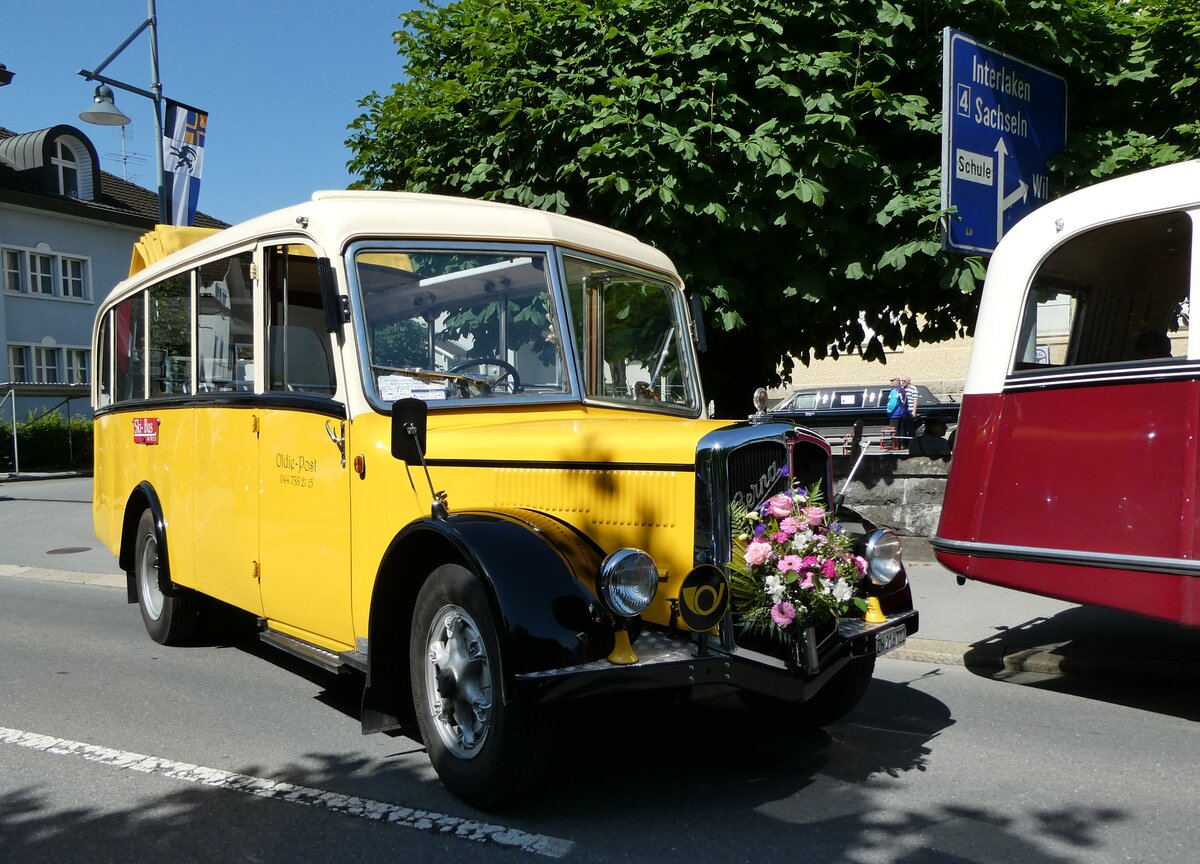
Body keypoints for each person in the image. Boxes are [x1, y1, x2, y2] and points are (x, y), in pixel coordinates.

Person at [885, 377, 908, 444]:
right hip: (902, 413)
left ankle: (896, 445)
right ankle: (902, 444)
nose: (891, 383)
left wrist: (889, 410)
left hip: (895, 414)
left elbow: (893, 402)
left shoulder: (894, 391)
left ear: (896, 382)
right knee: (902, 430)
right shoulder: (902, 390)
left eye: (892, 381)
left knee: (894, 430)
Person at [900, 376, 919, 441]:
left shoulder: (913, 388)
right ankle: (904, 442)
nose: (902, 382)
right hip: (903, 410)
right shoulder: (902, 388)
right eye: (902, 381)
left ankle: (911, 442)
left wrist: (914, 411)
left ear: (908, 382)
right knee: (903, 427)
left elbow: (915, 400)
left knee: (910, 427)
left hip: (910, 410)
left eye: (904, 381)